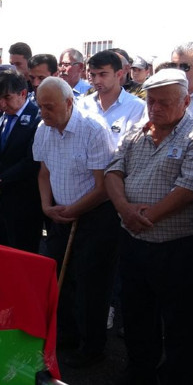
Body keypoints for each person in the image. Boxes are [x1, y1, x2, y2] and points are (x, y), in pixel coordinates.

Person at [105, 69, 193, 384]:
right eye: (150, 101)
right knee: (137, 314)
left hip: (180, 247)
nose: (154, 108)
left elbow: (190, 187)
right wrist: (124, 208)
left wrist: (146, 216)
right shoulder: (137, 131)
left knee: (183, 322)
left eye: (163, 103)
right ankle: (139, 371)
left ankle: (178, 377)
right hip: (135, 241)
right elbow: (113, 171)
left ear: (185, 101)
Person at [32, 77, 119, 369]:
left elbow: (103, 187)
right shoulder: (43, 129)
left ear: (69, 102)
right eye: (40, 106)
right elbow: (44, 173)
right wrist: (47, 206)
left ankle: (92, 346)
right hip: (59, 214)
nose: (43, 112)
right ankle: (66, 335)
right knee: (61, 279)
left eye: (49, 106)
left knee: (91, 285)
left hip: (94, 217)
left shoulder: (93, 129)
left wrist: (73, 210)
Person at [0, 69, 43, 252]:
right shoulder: (0, 117)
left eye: (7, 97)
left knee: (22, 253)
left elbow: (31, 160)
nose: (2, 104)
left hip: (22, 202)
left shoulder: (37, 118)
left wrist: (0, 181)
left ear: (23, 93)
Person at [78, 50, 146, 149]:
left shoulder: (137, 107)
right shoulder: (81, 105)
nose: (96, 81)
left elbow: (131, 149)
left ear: (119, 74)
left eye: (103, 74)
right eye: (93, 75)